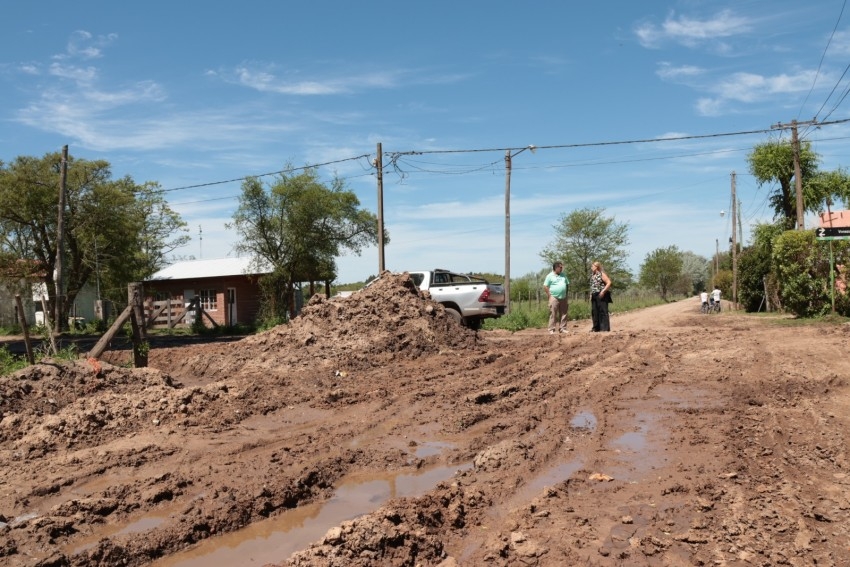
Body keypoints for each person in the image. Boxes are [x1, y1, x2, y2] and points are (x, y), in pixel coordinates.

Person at [543, 262, 569, 334]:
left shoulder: (563, 275)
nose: (561, 269)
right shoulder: (550, 276)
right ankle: (551, 329)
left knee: (564, 313)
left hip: (563, 297)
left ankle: (562, 328)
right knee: (553, 313)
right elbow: (545, 286)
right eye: (560, 267)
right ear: (556, 268)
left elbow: (567, 284)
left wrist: (566, 293)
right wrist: (549, 294)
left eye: (562, 267)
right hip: (554, 297)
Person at [590, 261, 612, 332]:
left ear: (596, 267)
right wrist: (591, 294)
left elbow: (609, 282)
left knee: (603, 311)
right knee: (595, 311)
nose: (591, 267)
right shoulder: (592, 275)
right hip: (594, 294)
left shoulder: (601, 274)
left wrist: (603, 291)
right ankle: (596, 328)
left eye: (592, 266)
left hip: (601, 294)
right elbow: (592, 286)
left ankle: (605, 328)